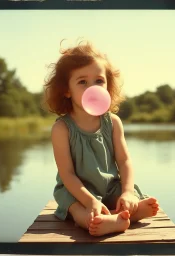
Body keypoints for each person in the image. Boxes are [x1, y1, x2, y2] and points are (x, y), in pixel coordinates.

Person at [43, 40, 159, 237]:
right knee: (78, 210)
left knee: (126, 196)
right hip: (77, 191)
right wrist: (90, 201)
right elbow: (67, 175)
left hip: (109, 186)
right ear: (66, 90)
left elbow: (124, 161)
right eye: (82, 82)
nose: (92, 88)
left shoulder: (112, 122)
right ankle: (99, 221)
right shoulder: (62, 129)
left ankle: (125, 210)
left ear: (108, 85)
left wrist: (127, 192)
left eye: (99, 81)